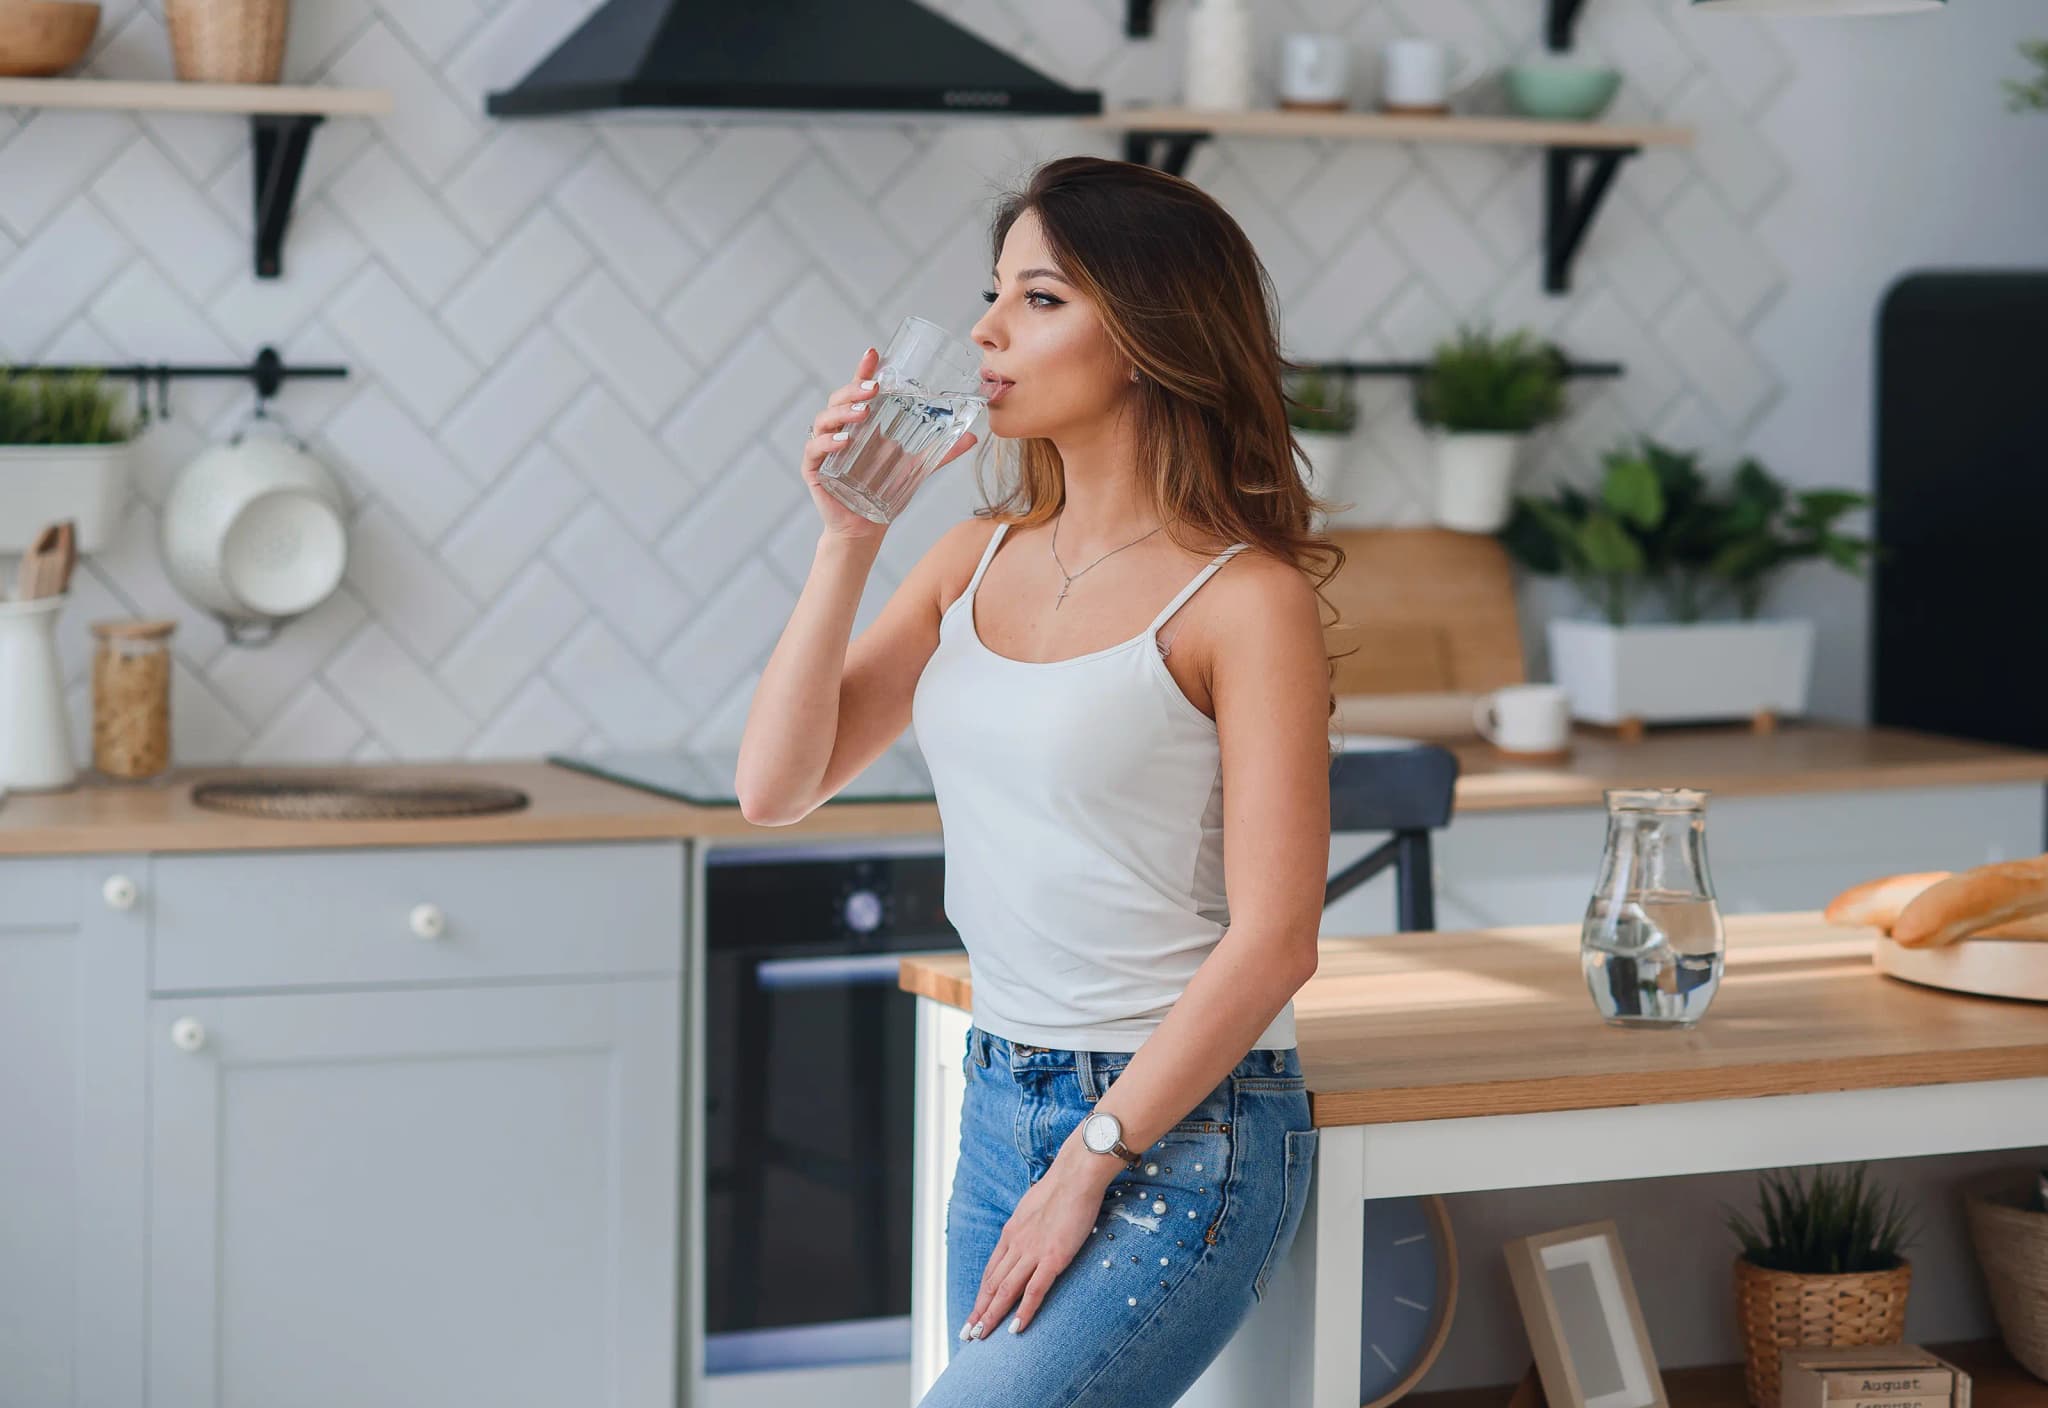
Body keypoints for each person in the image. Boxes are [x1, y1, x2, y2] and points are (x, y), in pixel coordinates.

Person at [736, 154, 1349, 1408]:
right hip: (999, 1096)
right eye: (993, 293)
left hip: (1181, 1132)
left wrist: (1090, 1158)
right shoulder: (969, 559)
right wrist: (847, 537)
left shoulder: (1243, 600)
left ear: (1145, 333)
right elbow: (775, 786)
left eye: (1039, 298)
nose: (984, 330)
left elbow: (1277, 941)